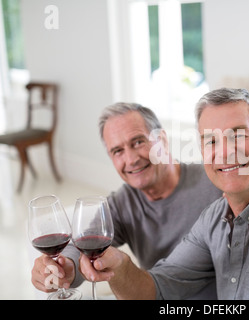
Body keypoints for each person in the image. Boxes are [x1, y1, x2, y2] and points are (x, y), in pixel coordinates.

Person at [77, 88, 249, 300]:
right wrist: (121, 268)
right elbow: (157, 290)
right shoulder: (215, 218)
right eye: (211, 140)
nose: (224, 152)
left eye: (238, 135)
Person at [30, 102, 223, 299]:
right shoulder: (122, 203)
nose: (131, 159)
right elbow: (81, 245)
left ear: (162, 140)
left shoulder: (216, 182)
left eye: (138, 142)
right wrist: (66, 267)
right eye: (118, 151)